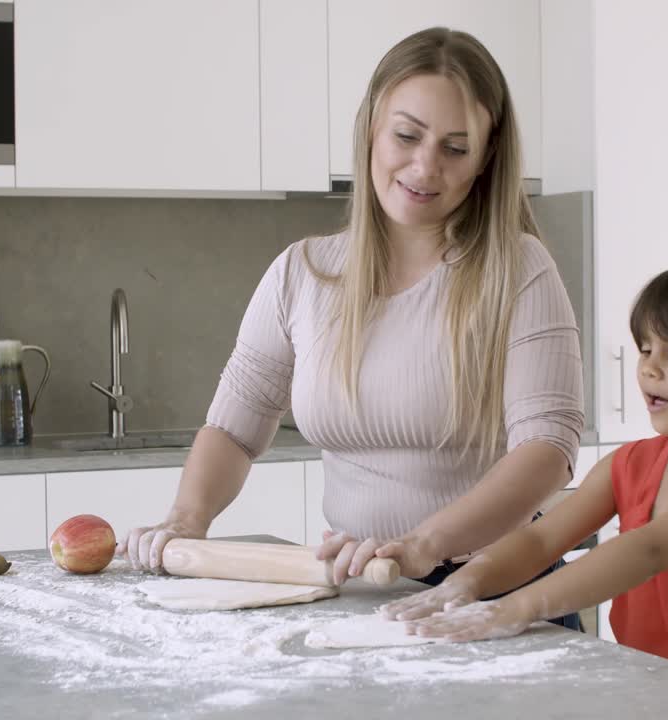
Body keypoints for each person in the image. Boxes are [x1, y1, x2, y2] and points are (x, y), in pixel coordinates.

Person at [117, 27, 586, 628]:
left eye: (455, 148)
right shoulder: (302, 274)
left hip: (495, 591)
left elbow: (547, 449)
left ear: (486, 159)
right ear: (370, 129)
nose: (425, 166)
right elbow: (233, 429)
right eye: (407, 136)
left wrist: (424, 544)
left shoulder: (517, 270)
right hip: (360, 592)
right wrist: (187, 519)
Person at [385, 250, 668, 687]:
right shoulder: (629, 464)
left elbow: (649, 550)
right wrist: (468, 581)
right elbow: (540, 540)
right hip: (649, 683)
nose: (649, 368)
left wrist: (516, 608)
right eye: (646, 350)